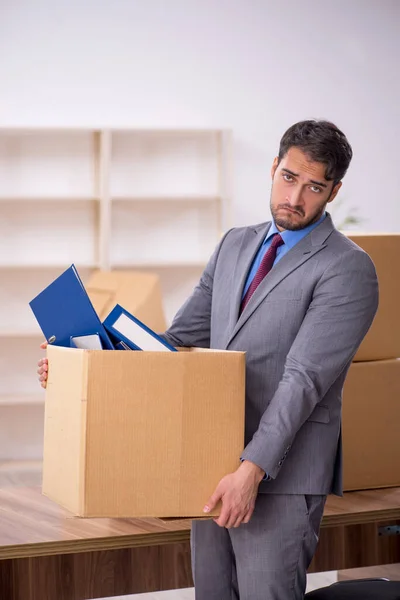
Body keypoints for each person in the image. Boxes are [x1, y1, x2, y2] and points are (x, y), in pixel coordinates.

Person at [37, 120, 379, 600]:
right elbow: (177, 343)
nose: (295, 197)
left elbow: (303, 381)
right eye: (288, 177)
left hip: (277, 477)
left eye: (314, 187)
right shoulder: (235, 244)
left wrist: (250, 471)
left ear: (333, 191)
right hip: (209, 464)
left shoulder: (346, 268)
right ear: (273, 168)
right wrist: (79, 362)